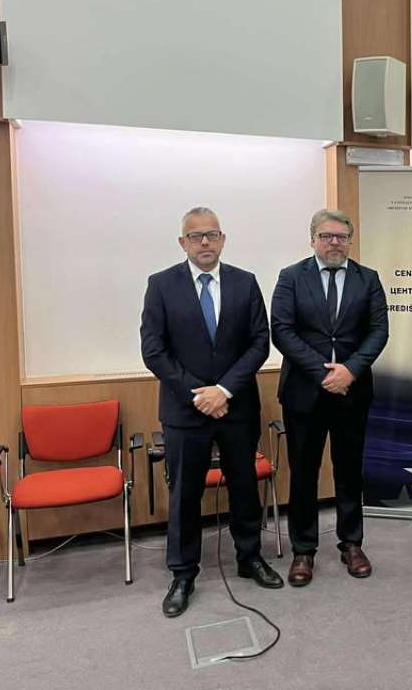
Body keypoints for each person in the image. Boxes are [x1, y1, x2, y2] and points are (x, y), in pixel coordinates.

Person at [141, 207, 283, 618]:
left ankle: (249, 557)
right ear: (182, 243)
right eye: (196, 236)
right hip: (185, 412)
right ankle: (183, 573)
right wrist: (198, 395)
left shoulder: (245, 282)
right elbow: (153, 350)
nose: (205, 242)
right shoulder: (161, 285)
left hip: (236, 407)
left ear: (223, 240)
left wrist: (223, 390)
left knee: (244, 486)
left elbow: (259, 343)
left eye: (212, 234)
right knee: (185, 493)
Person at [270, 209, 388, 585]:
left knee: (349, 471)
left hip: (352, 392)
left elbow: (379, 331)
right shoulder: (291, 277)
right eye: (326, 236)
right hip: (304, 393)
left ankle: (351, 543)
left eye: (341, 236)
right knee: (303, 473)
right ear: (313, 240)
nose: (334, 242)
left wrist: (350, 371)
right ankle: (303, 550)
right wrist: (324, 374)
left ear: (350, 241)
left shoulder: (368, 279)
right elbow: (282, 330)